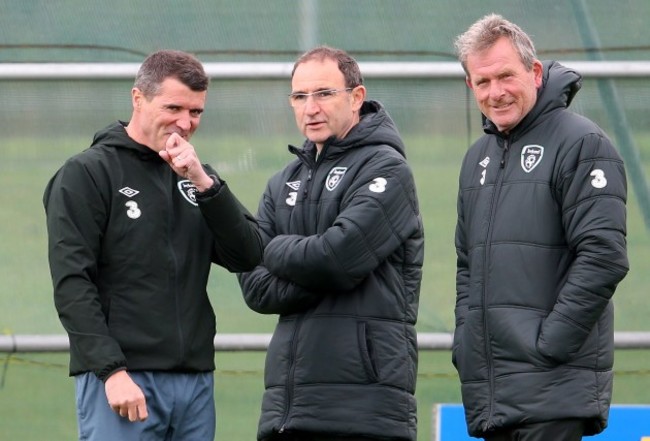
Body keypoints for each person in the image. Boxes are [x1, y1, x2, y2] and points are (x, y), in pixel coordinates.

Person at [43, 49, 263, 441]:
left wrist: (204, 182)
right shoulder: (87, 173)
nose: (185, 123)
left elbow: (247, 254)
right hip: (124, 381)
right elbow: (73, 283)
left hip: (194, 384)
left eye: (196, 112)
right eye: (174, 107)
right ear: (138, 99)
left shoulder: (196, 178)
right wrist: (111, 372)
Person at [451, 14, 629, 441]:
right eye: (483, 82)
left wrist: (548, 345)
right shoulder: (477, 158)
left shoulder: (583, 143)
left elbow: (604, 256)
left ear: (533, 72)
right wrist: (467, 340)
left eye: (505, 76)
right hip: (492, 397)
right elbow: (465, 264)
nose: (496, 93)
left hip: (553, 392)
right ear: (470, 87)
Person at [237, 46, 424, 441]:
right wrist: (308, 260)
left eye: (324, 94)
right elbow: (255, 287)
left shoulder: (387, 169)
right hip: (288, 411)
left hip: (364, 412)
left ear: (356, 97)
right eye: (300, 97)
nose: (311, 108)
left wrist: (269, 249)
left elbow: (335, 259)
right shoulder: (282, 181)